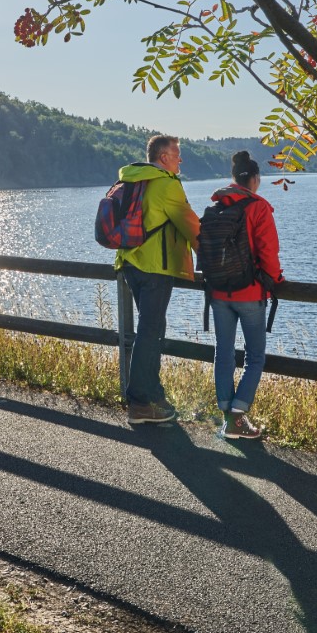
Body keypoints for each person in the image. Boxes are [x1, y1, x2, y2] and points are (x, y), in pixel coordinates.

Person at [115, 134, 200, 424]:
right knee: (151, 331)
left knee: (151, 329)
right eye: (177, 155)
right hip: (155, 267)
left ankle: (154, 395)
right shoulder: (166, 183)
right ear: (164, 157)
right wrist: (219, 257)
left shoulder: (133, 179)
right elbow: (191, 226)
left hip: (129, 262)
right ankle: (139, 403)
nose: (180, 160)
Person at [207, 150, 282, 439]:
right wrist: (275, 279)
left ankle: (227, 415)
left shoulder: (217, 206)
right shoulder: (258, 207)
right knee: (255, 357)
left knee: (223, 353)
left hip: (218, 292)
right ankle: (237, 418)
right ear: (254, 179)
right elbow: (268, 253)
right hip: (250, 293)